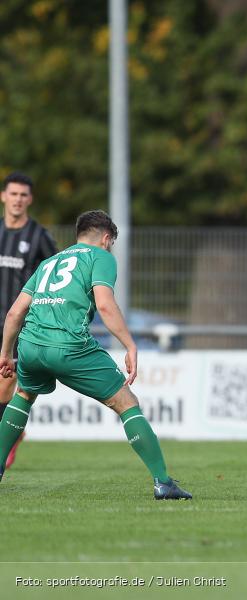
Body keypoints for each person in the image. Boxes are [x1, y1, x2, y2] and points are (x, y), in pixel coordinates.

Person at [0, 210, 191, 499]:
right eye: (110, 242)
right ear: (106, 238)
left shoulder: (49, 263)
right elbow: (104, 305)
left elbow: (15, 312)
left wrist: (5, 353)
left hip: (30, 346)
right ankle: (163, 482)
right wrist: (130, 344)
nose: (110, 247)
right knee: (126, 402)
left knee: (23, 396)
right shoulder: (100, 257)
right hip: (69, 345)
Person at [0, 172, 58, 469]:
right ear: (3, 196)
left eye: (23, 195)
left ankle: (6, 441)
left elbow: (57, 276)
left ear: (30, 200)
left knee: (3, 389)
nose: (18, 200)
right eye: (13, 194)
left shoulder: (39, 237)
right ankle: (15, 431)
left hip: (21, 327)